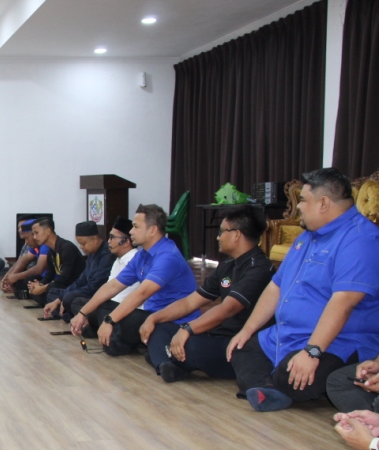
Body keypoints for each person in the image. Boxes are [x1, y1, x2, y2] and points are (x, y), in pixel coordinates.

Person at [228, 168, 379, 412]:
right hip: (288, 335)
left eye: (303, 200)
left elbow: (344, 301)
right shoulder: (307, 237)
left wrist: (312, 352)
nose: (298, 206)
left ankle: (272, 387)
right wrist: (247, 330)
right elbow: (275, 287)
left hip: (336, 342)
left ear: (323, 203)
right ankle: (272, 388)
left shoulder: (360, 239)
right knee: (242, 348)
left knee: (291, 373)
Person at [139, 205, 273, 382]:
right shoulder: (228, 264)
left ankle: (165, 358)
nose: (218, 237)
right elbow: (190, 302)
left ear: (236, 235)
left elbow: (227, 309)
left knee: (189, 344)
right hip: (216, 335)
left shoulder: (258, 268)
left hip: (239, 342)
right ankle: (166, 364)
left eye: (221, 231)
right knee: (159, 327)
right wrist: (154, 318)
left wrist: (188, 329)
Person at [69, 204, 198, 355]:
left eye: (136, 227)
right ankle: (135, 341)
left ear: (153, 230)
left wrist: (109, 320)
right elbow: (113, 286)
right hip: (151, 313)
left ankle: (139, 342)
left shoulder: (167, 256)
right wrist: (82, 314)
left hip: (172, 319)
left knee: (120, 326)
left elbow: (142, 293)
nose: (130, 232)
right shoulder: (142, 255)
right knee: (99, 306)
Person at [42, 220, 114, 320]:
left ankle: (68, 314)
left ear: (94, 239)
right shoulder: (92, 254)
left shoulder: (106, 255)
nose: (81, 247)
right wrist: (59, 299)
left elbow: (95, 286)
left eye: (83, 244)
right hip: (85, 291)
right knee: (54, 293)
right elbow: (81, 281)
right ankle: (67, 313)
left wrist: (66, 296)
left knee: (70, 298)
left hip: (97, 295)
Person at [23, 218, 84, 306]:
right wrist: (39, 284)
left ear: (48, 231)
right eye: (33, 234)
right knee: (32, 285)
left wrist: (43, 288)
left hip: (73, 286)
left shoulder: (67, 248)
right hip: (60, 285)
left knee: (51, 292)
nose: (34, 237)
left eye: (36, 233)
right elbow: (49, 276)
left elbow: (65, 278)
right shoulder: (51, 251)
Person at [0, 220, 46, 297]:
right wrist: (7, 277)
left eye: (27, 238)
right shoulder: (35, 246)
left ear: (34, 234)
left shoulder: (45, 245)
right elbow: (23, 260)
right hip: (40, 277)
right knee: (9, 274)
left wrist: (16, 276)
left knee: (28, 279)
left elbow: (39, 269)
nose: (26, 242)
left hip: (48, 279)